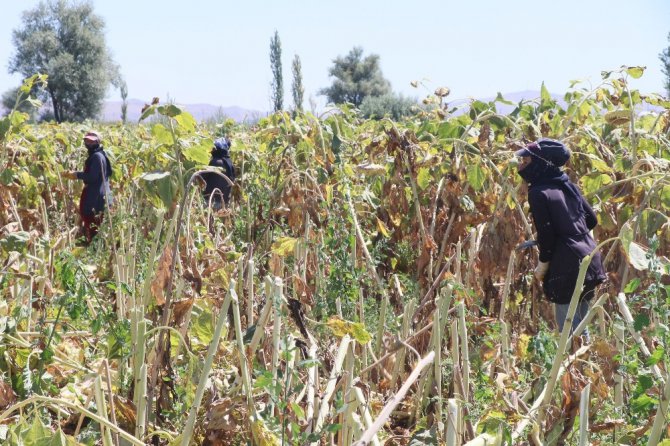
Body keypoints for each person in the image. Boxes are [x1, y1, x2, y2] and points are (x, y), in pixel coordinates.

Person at [516, 138, 606, 340]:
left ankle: (576, 368)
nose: (522, 165)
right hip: (590, 259)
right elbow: (591, 219)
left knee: (569, 330)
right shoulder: (568, 185)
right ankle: (588, 366)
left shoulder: (538, 192)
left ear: (542, 163)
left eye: (527, 160)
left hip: (566, 266)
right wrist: (573, 230)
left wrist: (543, 265)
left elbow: (547, 237)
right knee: (581, 324)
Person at [63, 131, 113, 244]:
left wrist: (76, 175)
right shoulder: (102, 155)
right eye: (87, 141)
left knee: (92, 225)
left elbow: (92, 177)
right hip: (103, 195)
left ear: (98, 141)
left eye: (92, 141)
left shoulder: (96, 156)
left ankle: (93, 250)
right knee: (98, 227)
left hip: (95, 197)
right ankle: (96, 249)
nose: (89, 143)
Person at [202, 137, 235, 210]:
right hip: (224, 200)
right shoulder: (229, 162)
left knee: (209, 219)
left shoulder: (215, 162)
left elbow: (203, 177)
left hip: (211, 199)